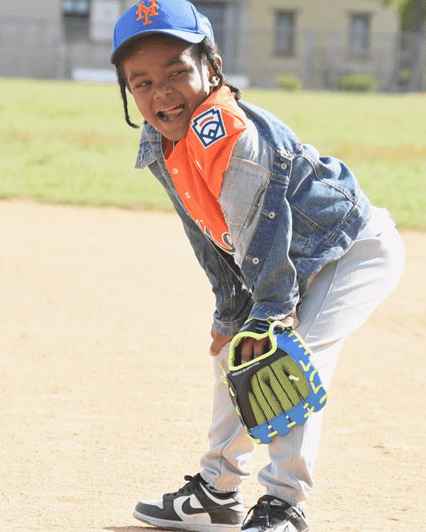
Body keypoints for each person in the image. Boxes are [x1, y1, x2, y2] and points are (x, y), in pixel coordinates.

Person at [109, 1, 405, 531]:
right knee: (233, 357)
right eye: (142, 82)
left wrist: (268, 315)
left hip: (350, 250)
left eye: (178, 71)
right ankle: (216, 494)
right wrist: (231, 313)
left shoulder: (227, 132)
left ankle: (285, 504)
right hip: (281, 260)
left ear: (212, 67)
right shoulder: (162, 140)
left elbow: (264, 229)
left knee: (278, 360)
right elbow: (209, 236)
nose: (162, 93)